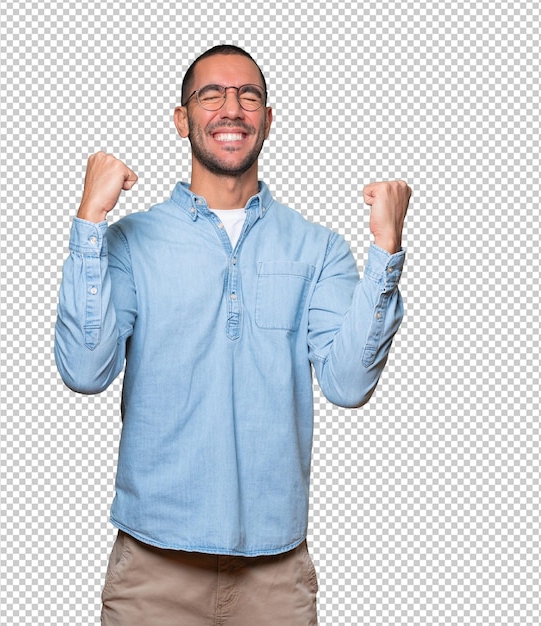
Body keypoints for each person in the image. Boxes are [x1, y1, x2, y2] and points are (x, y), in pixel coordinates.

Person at [54, 44, 411, 626]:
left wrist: (385, 251)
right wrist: (89, 223)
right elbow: (84, 371)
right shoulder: (130, 241)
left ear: (268, 119)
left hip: (276, 576)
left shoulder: (317, 248)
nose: (232, 108)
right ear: (182, 118)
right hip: (153, 572)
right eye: (211, 94)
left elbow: (348, 385)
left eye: (249, 96)